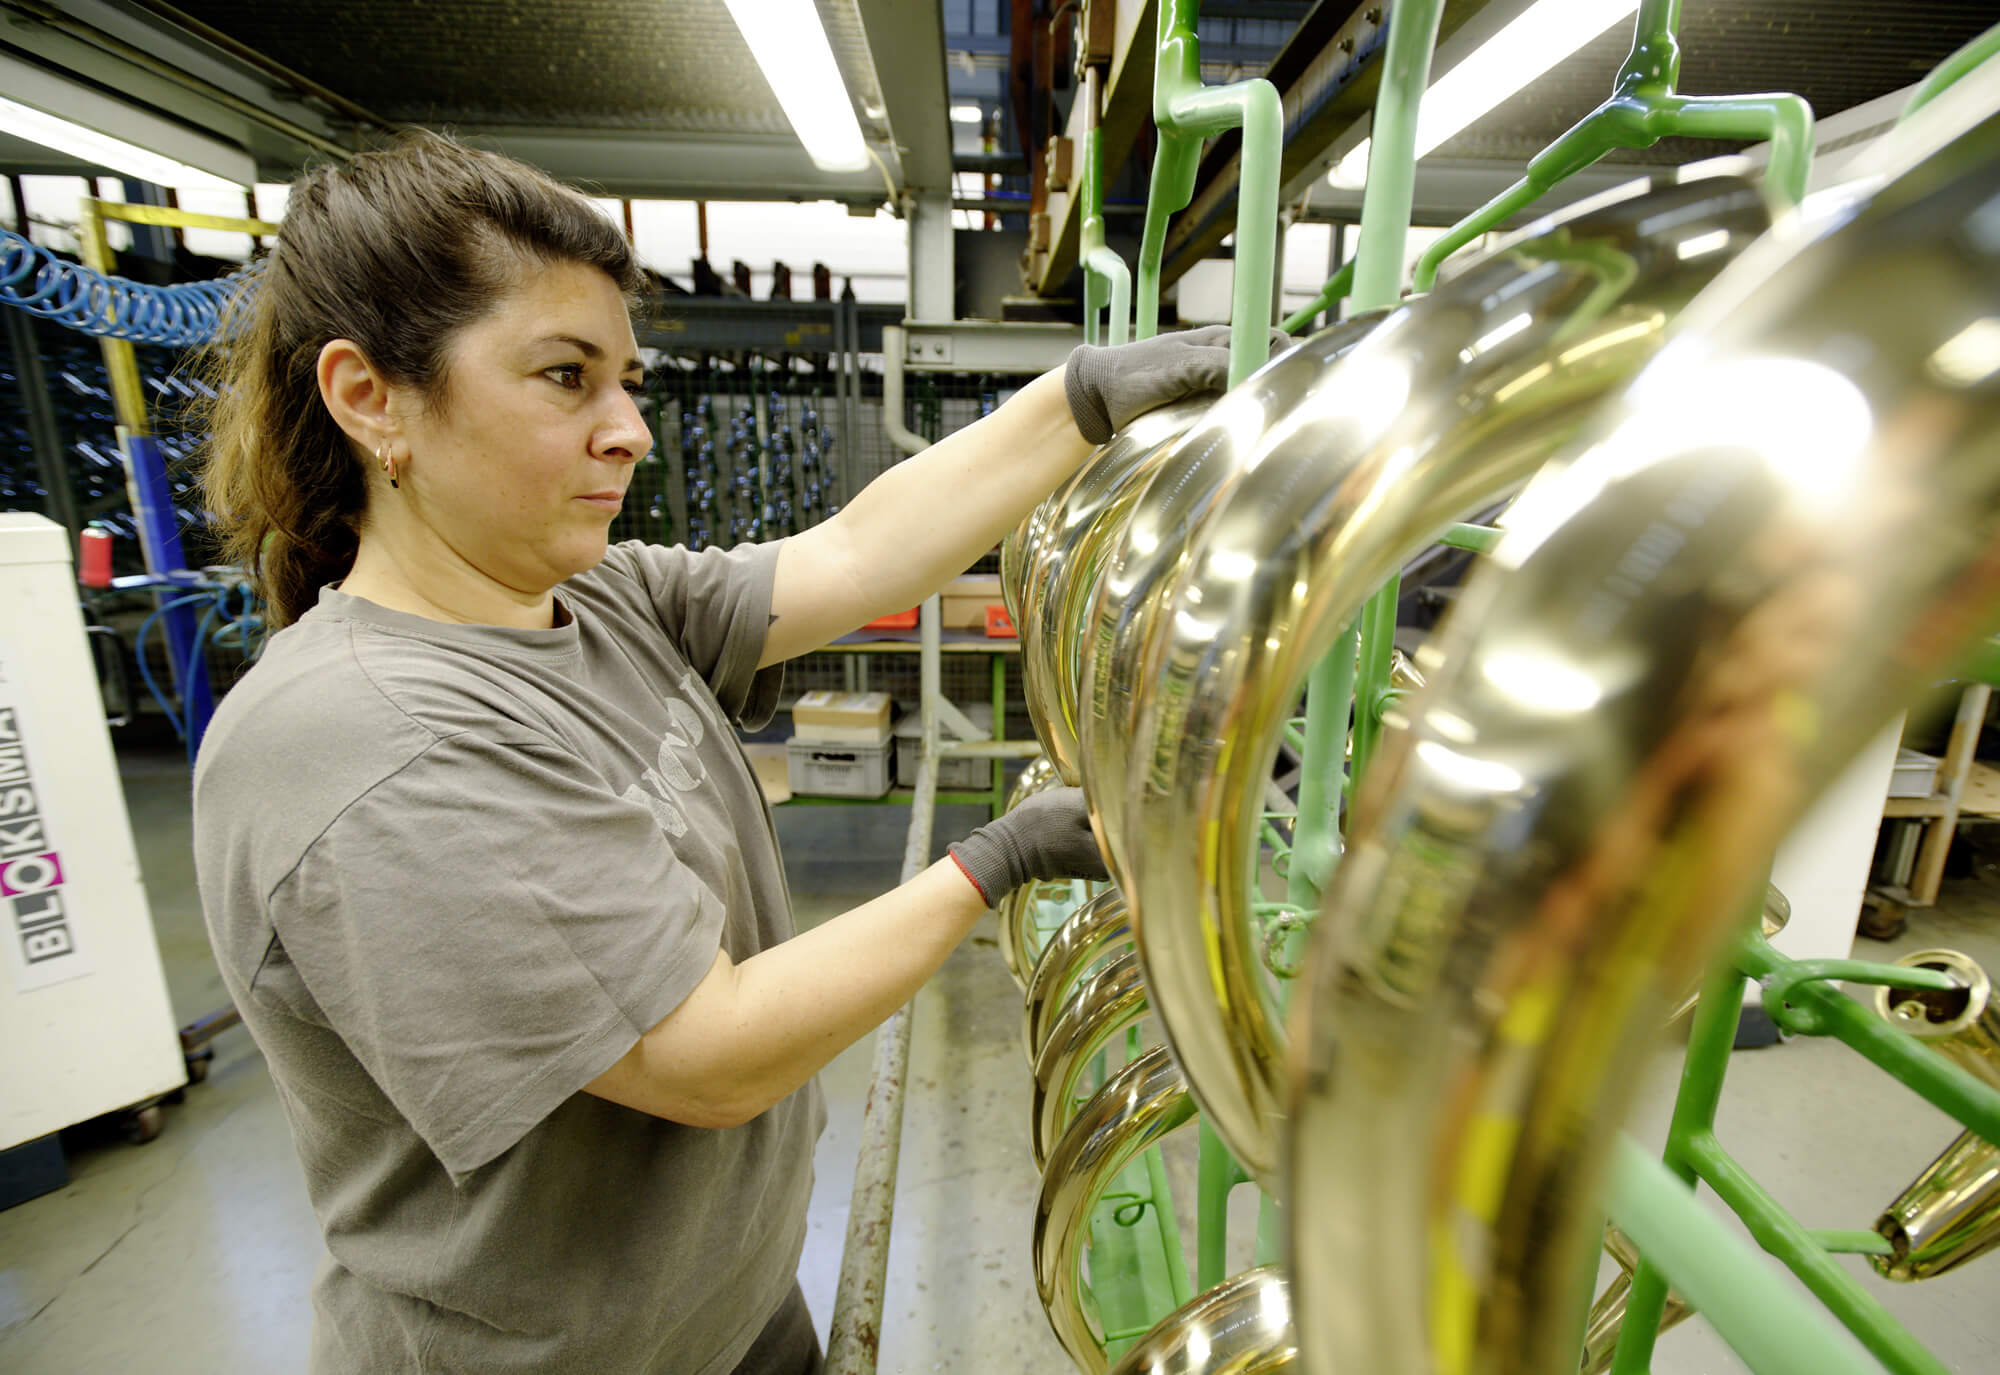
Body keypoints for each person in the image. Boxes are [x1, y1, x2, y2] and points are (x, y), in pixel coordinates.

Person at [190, 131, 1248, 1375]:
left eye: (627, 380)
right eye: (564, 378)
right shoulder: (371, 742)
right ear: (372, 398)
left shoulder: (595, 599)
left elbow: (853, 554)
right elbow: (707, 1055)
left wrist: (1077, 400)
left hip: (725, 1322)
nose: (627, 430)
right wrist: (996, 858)